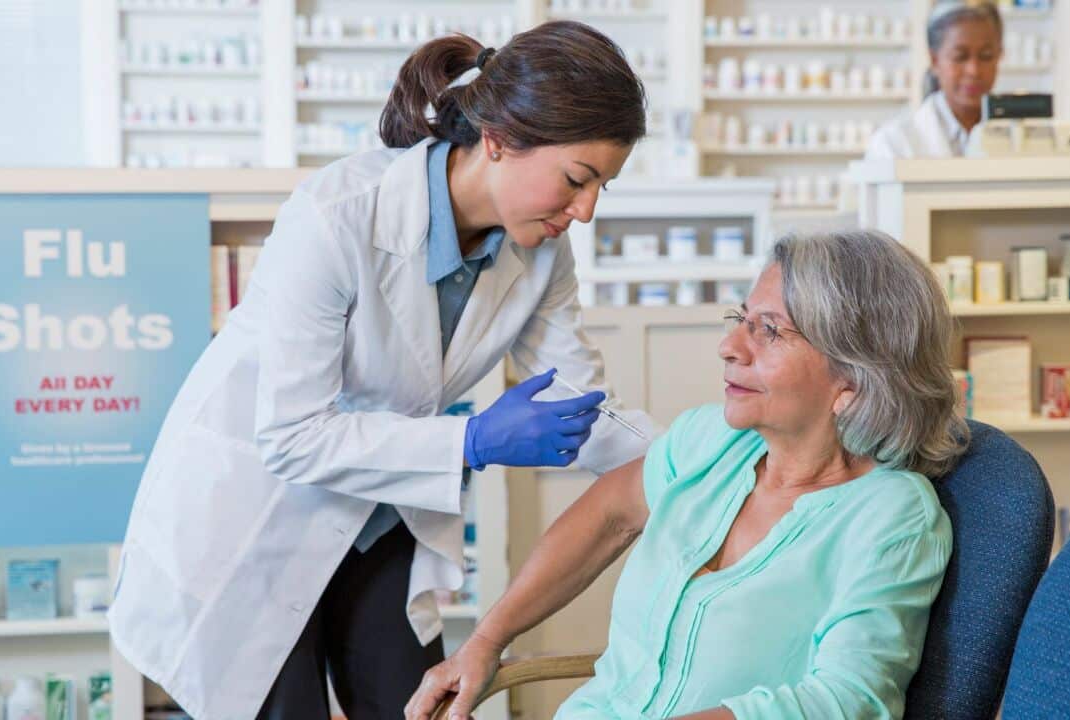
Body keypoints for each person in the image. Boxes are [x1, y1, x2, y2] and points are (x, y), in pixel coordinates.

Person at [108, 21, 659, 720]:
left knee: (415, 705)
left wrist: (703, 464)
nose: (583, 212)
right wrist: (471, 442)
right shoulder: (335, 217)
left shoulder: (542, 254)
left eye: (600, 188)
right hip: (257, 511)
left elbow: (582, 401)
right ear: (498, 139)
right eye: (577, 180)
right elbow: (293, 435)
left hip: (379, 514)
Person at [407, 229, 970, 720]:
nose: (729, 347)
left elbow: (848, 700)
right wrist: (485, 640)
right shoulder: (711, 442)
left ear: (856, 377)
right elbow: (608, 515)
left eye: (769, 331)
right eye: (739, 320)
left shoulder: (892, 516)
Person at [865, 1, 1003, 159]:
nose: (973, 70)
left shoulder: (1023, 137)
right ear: (935, 60)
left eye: (985, 56)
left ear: (1000, 55)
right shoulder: (893, 143)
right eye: (960, 57)